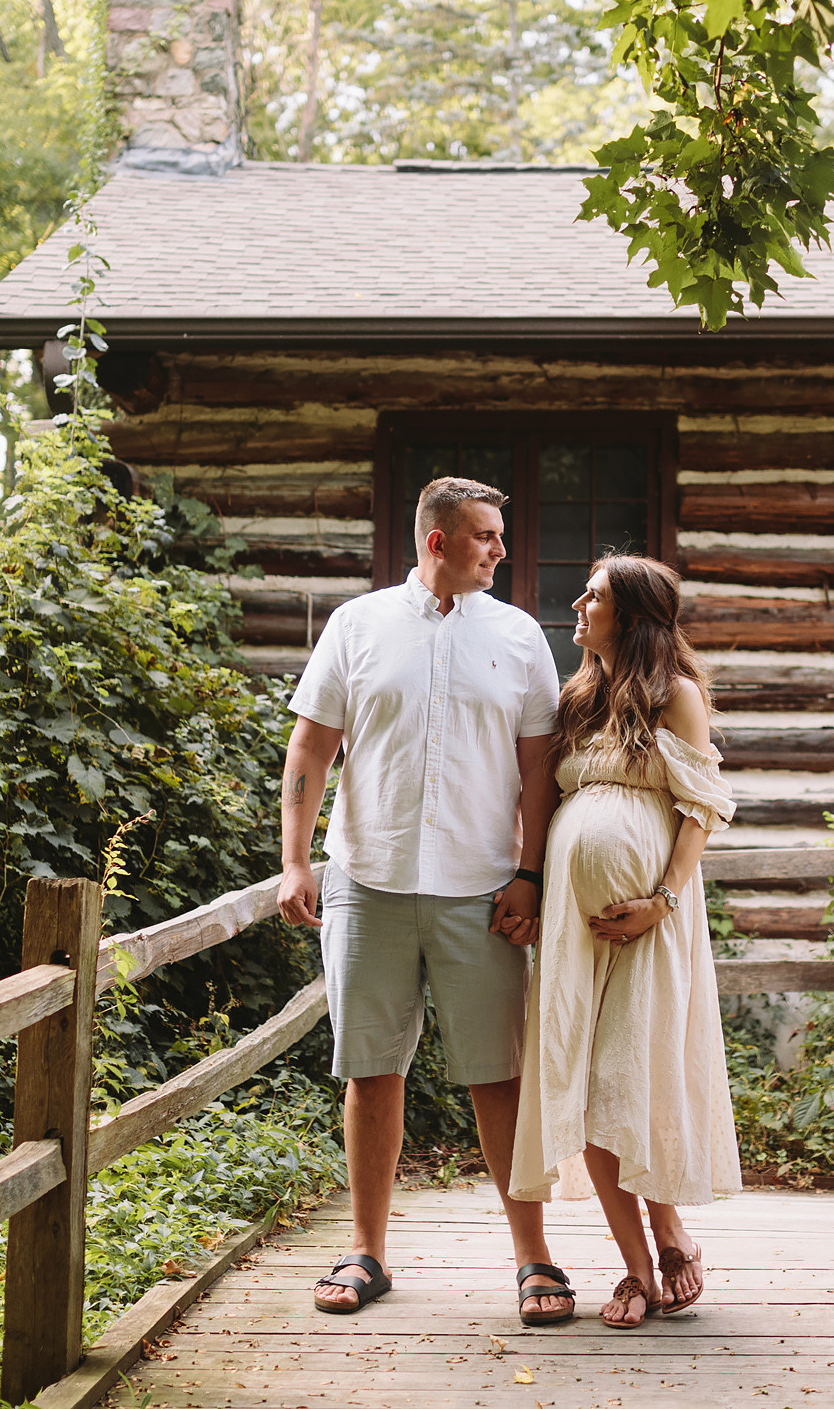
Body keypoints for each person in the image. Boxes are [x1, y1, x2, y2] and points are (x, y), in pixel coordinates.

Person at [276, 476, 582, 1326]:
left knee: (499, 1076)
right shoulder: (358, 625)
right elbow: (312, 743)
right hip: (367, 882)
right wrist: (295, 861)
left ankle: (534, 1257)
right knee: (371, 1070)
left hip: (480, 892)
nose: (501, 549)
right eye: (486, 535)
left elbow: (535, 770)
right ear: (438, 540)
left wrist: (529, 872)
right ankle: (366, 1249)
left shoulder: (519, 636)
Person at [508, 553, 742, 1329]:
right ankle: (637, 1266)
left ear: (634, 616)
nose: (578, 603)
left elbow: (702, 808)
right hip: (576, 933)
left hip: (648, 925)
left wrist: (663, 901)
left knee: (629, 1073)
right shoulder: (579, 698)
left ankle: (673, 1233)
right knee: (582, 1077)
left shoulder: (675, 696)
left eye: (596, 595)